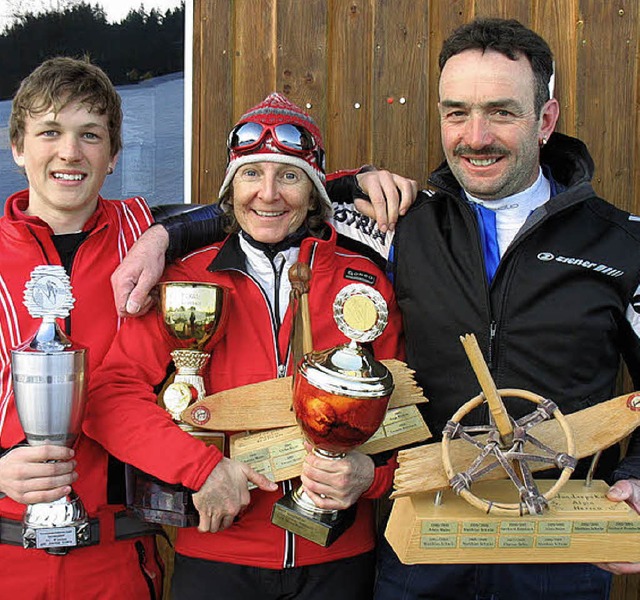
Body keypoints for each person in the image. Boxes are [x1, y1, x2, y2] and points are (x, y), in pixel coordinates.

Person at [111, 18, 640, 600]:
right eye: (457, 112)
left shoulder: (624, 244)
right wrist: (166, 233)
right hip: (424, 539)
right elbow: (279, 206)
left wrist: (637, 477)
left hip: (557, 542)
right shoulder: (396, 227)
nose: (477, 135)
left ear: (546, 119)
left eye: (502, 112)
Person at [83, 92, 405, 600]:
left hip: (339, 560)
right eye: (252, 175)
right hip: (217, 555)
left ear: (315, 191)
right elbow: (108, 398)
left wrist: (371, 476)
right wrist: (199, 467)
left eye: (290, 176)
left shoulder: (362, 283)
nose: (269, 194)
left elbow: (402, 403)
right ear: (230, 190)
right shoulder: (185, 280)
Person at [0, 56, 168, 599]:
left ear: (114, 155)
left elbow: (262, 200)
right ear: (17, 147)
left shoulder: (146, 231)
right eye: (50, 131)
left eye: (89, 135)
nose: (70, 152)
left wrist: (359, 182)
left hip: (116, 554)